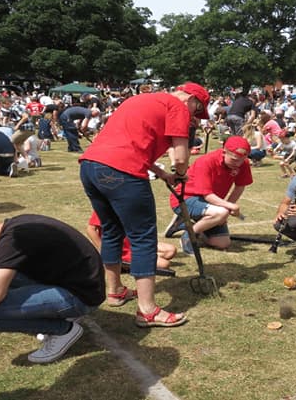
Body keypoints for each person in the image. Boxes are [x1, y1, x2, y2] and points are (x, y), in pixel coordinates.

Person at [79, 82, 210, 328]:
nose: (193, 116)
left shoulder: (141, 100)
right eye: (197, 110)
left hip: (90, 166)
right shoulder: (178, 107)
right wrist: (180, 172)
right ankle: (148, 310)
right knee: (143, 238)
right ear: (192, 99)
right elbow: (181, 157)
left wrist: (161, 172)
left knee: (112, 230)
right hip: (121, 171)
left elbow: (131, 143)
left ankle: (115, 290)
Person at [0, 214, 104, 364]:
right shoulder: (16, 226)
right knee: (3, 280)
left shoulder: (11, 242)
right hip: (82, 285)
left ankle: (62, 330)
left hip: (82, 296)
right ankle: (62, 314)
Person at [165, 136, 254, 254]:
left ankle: (182, 224)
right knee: (220, 212)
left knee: (223, 243)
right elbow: (207, 195)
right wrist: (227, 208)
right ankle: (189, 236)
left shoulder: (242, 163)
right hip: (185, 199)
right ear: (224, 152)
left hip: (211, 204)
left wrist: (228, 207)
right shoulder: (206, 161)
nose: (238, 164)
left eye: (242, 160)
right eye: (234, 159)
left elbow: (240, 186)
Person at [86, 211, 177, 298]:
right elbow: (91, 229)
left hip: (134, 244)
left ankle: (131, 264)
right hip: (124, 252)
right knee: (165, 264)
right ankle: (126, 265)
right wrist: (103, 250)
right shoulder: (106, 205)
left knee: (171, 250)